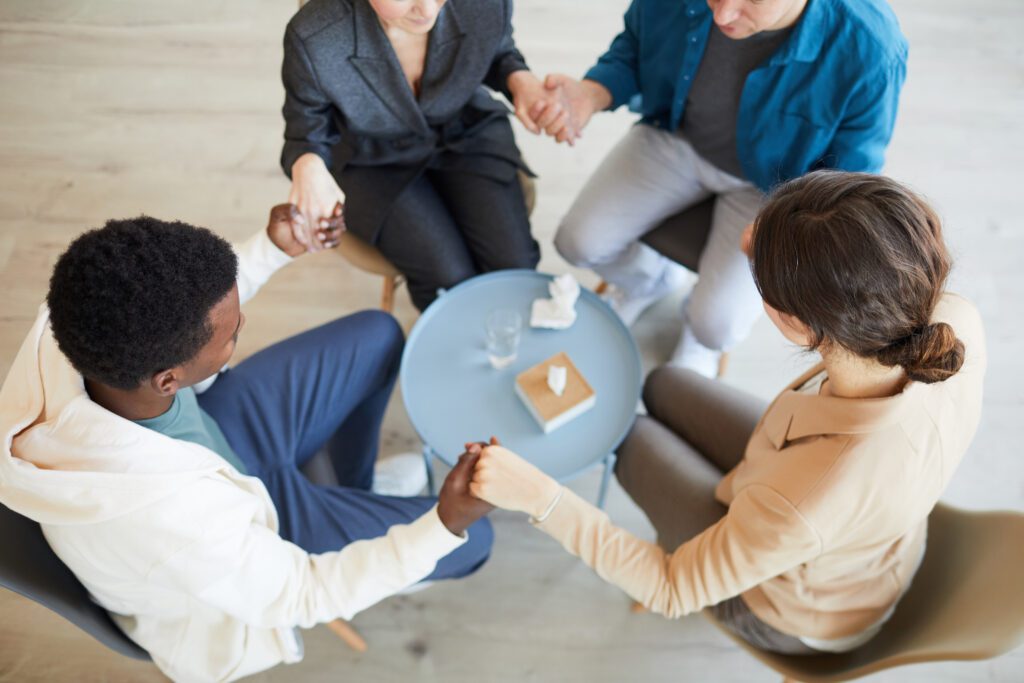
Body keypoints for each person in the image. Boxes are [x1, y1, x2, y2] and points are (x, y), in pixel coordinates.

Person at [469, 172, 986, 655]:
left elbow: (671, 588)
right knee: (664, 383)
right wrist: (785, 243)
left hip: (789, 603)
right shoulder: (951, 319)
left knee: (627, 441)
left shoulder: (806, 497)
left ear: (796, 326)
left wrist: (541, 498)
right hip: (847, 520)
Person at [0, 205, 494, 682]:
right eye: (233, 336)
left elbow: (189, 308)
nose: (241, 329)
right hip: (248, 532)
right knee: (474, 540)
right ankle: (356, 513)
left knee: (380, 337)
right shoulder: (180, 525)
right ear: (168, 379)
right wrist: (444, 524)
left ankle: (352, 490)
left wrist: (270, 249)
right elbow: (305, 592)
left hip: (220, 442)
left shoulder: (77, 315)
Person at [543, 0, 908, 376]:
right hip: (678, 137)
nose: (721, 16)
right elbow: (633, 48)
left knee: (716, 327)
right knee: (576, 242)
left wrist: (787, 229)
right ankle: (649, 280)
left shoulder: (873, 48)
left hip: (777, 189)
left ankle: (698, 340)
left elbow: (848, 177)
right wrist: (592, 91)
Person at [282, 0, 566, 310]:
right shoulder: (314, 35)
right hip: (370, 157)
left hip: (464, 130)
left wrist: (516, 77)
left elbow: (497, 49)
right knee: (447, 279)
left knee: (515, 267)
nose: (428, 11)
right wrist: (308, 163)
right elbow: (307, 127)